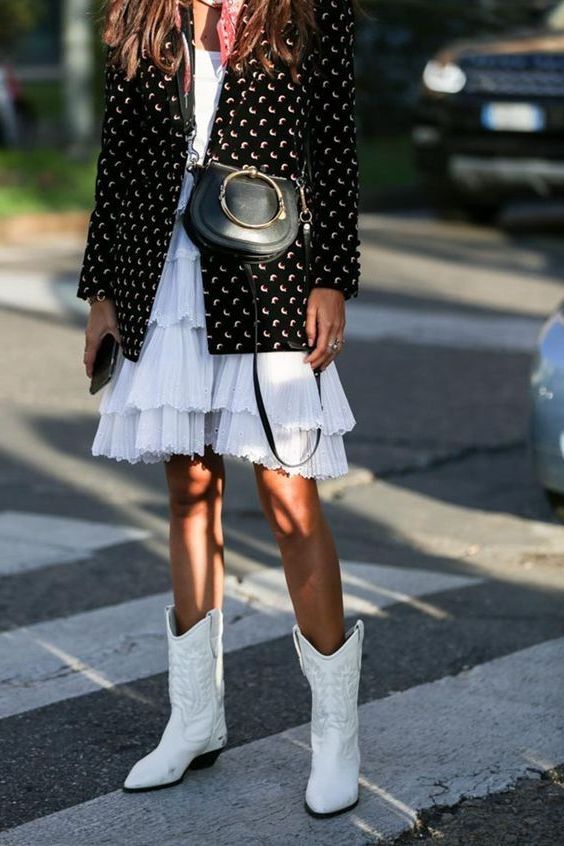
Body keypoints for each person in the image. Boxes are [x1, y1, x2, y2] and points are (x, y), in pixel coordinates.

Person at [77, 0, 364, 818]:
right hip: (161, 272)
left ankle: (336, 734)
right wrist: (101, 293)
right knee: (188, 490)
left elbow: (334, 146)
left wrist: (332, 278)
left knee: (289, 494)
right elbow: (120, 154)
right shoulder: (142, 10)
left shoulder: (311, 8)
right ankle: (195, 718)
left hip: (266, 265)